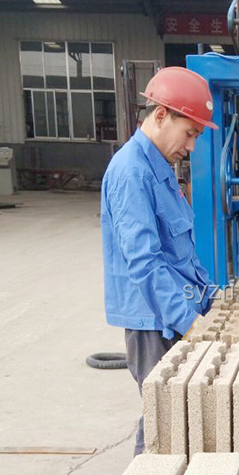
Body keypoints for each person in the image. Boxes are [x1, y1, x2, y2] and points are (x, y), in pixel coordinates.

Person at [101, 67, 218, 454]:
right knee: (163, 418)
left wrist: (210, 296)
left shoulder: (159, 170)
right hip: (155, 322)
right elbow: (145, 262)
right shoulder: (131, 173)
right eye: (190, 133)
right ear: (162, 115)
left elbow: (180, 253)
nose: (192, 146)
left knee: (185, 414)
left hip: (175, 310)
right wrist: (189, 321)